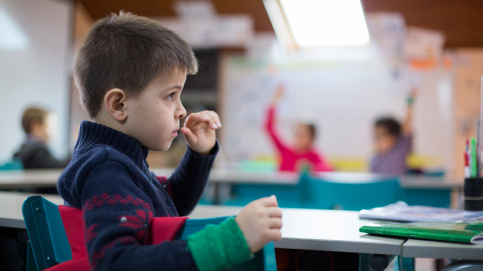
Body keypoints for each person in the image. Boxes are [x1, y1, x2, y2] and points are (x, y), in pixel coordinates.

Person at [57, 12, 282, 271]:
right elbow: (115, 263)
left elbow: (170, 203)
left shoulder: (120, 160)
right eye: (170, 96)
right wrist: (229, 240)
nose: (182, 110)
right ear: (119, 104)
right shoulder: (106, 169)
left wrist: (200, 154)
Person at [265, 85, 332, 172]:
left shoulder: (314, 155)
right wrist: (274, 102)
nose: (299, 137)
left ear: (312, 137)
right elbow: (269, 127)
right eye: (297, 132)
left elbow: (328, 169)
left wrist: (312, 167)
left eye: (304, 134)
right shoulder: (285, 151)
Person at [370, 90, 416, 175]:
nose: (377, 140)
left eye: (381, 136)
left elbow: (406, 128)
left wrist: (410, 101)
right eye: (375, 136)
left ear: (393, 137)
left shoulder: (399, 150)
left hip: (396, 188)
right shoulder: (374, 159)